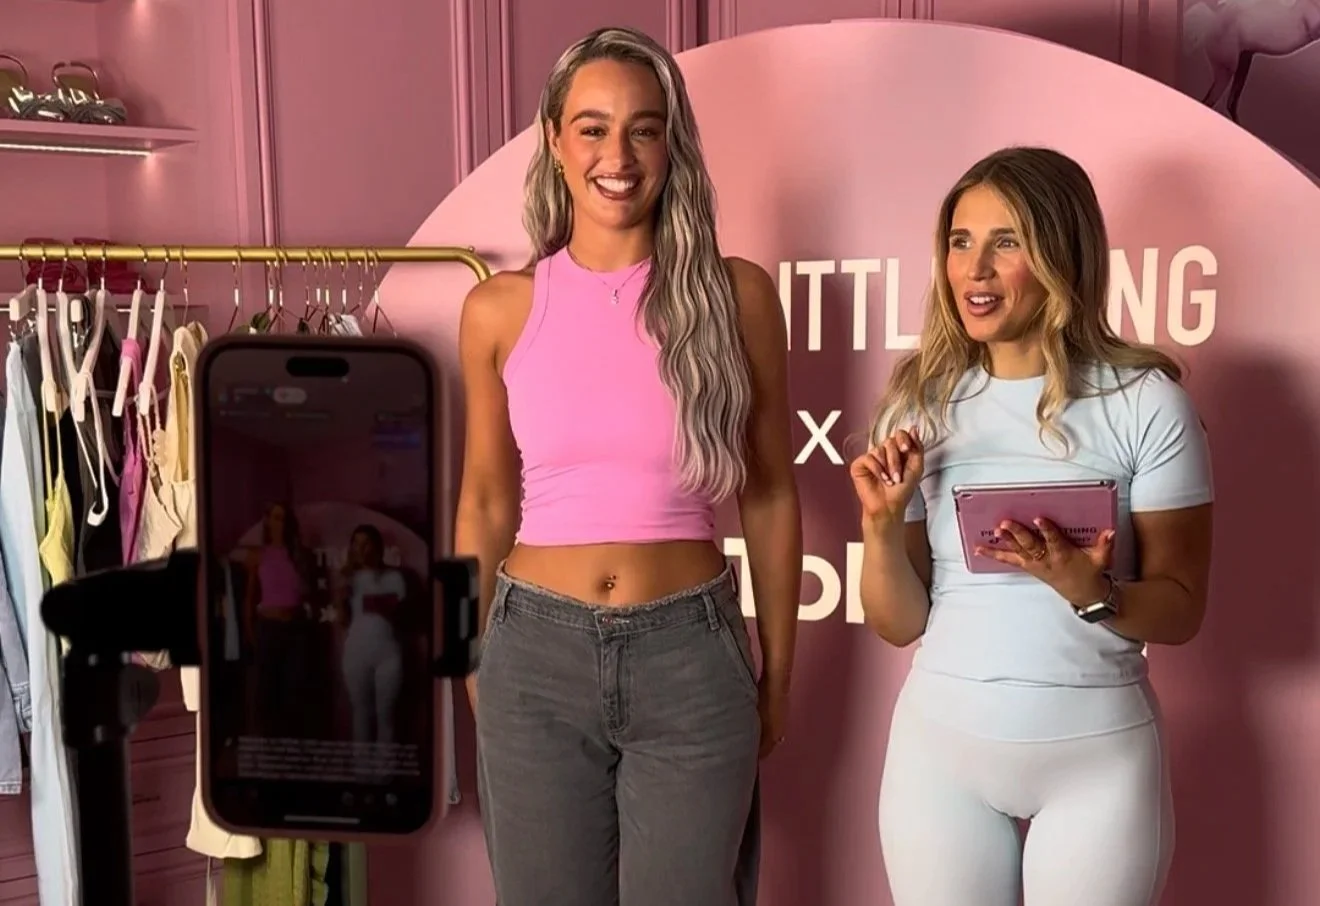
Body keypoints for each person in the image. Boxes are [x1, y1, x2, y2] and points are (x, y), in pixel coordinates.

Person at [454, 26, 802, 906]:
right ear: (554, 140)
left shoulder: (736, 297)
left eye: (644, 130)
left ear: (671, 145)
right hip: (532, 657)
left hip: (692, 656)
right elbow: (486, 500)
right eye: (593, 128)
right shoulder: (498, 309)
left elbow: (769, 493)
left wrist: (779, 673)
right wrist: (471, 659)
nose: (618, 155)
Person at [852, 147, 1213, 906]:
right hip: (939, 755)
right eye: (961, 242)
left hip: (1098, 759)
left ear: (1061, 256)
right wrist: (881, 526)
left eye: (1006, 242)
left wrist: (1092, 592)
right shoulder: (918, 405)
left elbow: (1181, 609)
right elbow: (898, 622)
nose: (975, 269)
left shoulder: (1147, 402)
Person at [243, 502, 313, 738]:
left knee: (295, 692)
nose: (279, 523)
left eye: (283, 518)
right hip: (268, 628)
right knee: (266, 692)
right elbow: (250, 598)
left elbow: (308, 592)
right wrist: (250, 631)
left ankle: (290, 744)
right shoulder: (258, 555)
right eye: (275, 517)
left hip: (295, 629)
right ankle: (268, 744)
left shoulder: (300, 555)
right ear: (268, 521)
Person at [337, 524, 406, 749]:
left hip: (387, 654)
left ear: (377, 547)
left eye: (366, 544)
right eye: (356, 544)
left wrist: (374, 600)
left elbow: (398, 612)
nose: (361, 549)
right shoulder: (348, 579)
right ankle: (363, 769)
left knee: (386, 715)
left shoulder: (394, 577)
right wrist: (341, 594)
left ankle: (385, 769)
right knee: (361, 714)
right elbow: (342, 619)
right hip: (356, 653)